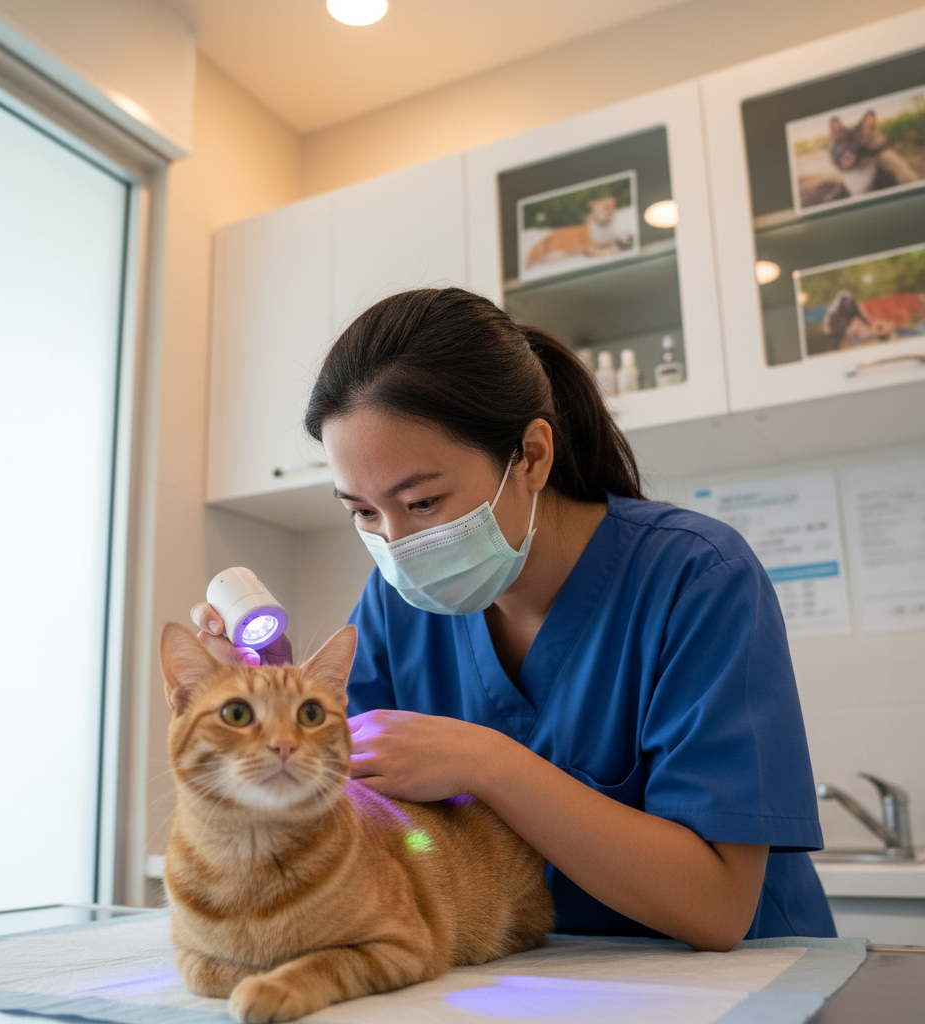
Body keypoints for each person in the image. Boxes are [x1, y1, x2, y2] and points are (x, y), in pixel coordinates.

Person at [193, 287, 835, 951]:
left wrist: (487, 762)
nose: (395, 542)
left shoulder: (695, 576)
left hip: (736, 986)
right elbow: (354, 810)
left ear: (531, 456)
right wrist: (256, 708)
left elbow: (718, 906)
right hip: (530, 971)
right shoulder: (396, 604)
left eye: (422, 502)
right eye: (361, 511)